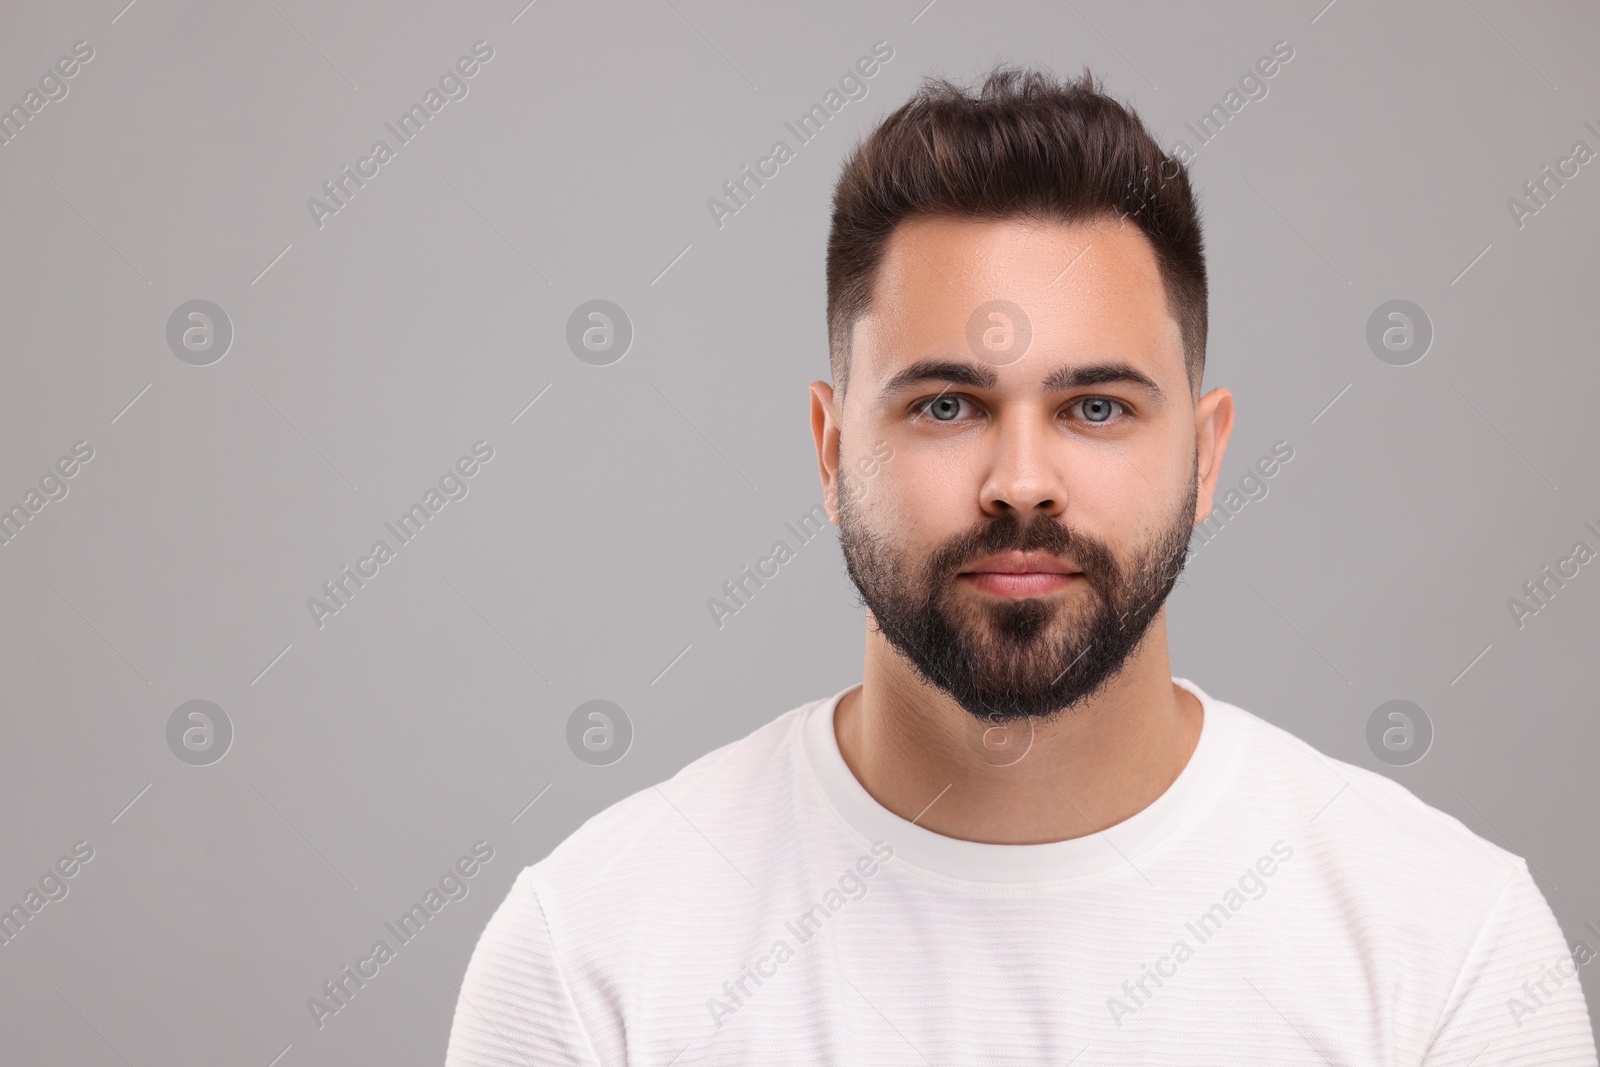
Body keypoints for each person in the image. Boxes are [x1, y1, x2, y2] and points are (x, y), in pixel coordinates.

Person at [445, 66, 1597, 1064]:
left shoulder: (1447, 944)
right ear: (833, 446)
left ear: (1203, 455)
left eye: (1095, 405)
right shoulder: (592, 954)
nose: (1021, 479)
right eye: (947, 403)